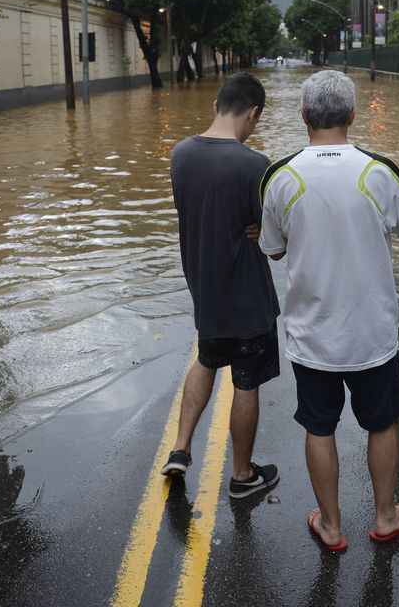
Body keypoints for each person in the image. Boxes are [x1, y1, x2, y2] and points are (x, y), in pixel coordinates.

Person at [258, 70, 399, 552]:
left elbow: (272, 248)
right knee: (381, 422)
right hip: (371, 334)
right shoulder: (379, 171)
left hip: (312, 337)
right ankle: (387, 516)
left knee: (319, 426)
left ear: (303, 115)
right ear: (353, 116)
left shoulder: (280, 175)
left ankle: (330, 526)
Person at [162, 72, 281, 500]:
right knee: (246, 383)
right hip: (247, 298)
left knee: (206, 360)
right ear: (253, 113)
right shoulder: (255, 164)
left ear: (216, 105)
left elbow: (191, 210)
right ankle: (243, 475)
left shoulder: (180, 155)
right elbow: (273, 240)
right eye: (255, 120)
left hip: (205, 290)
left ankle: (179, 449)